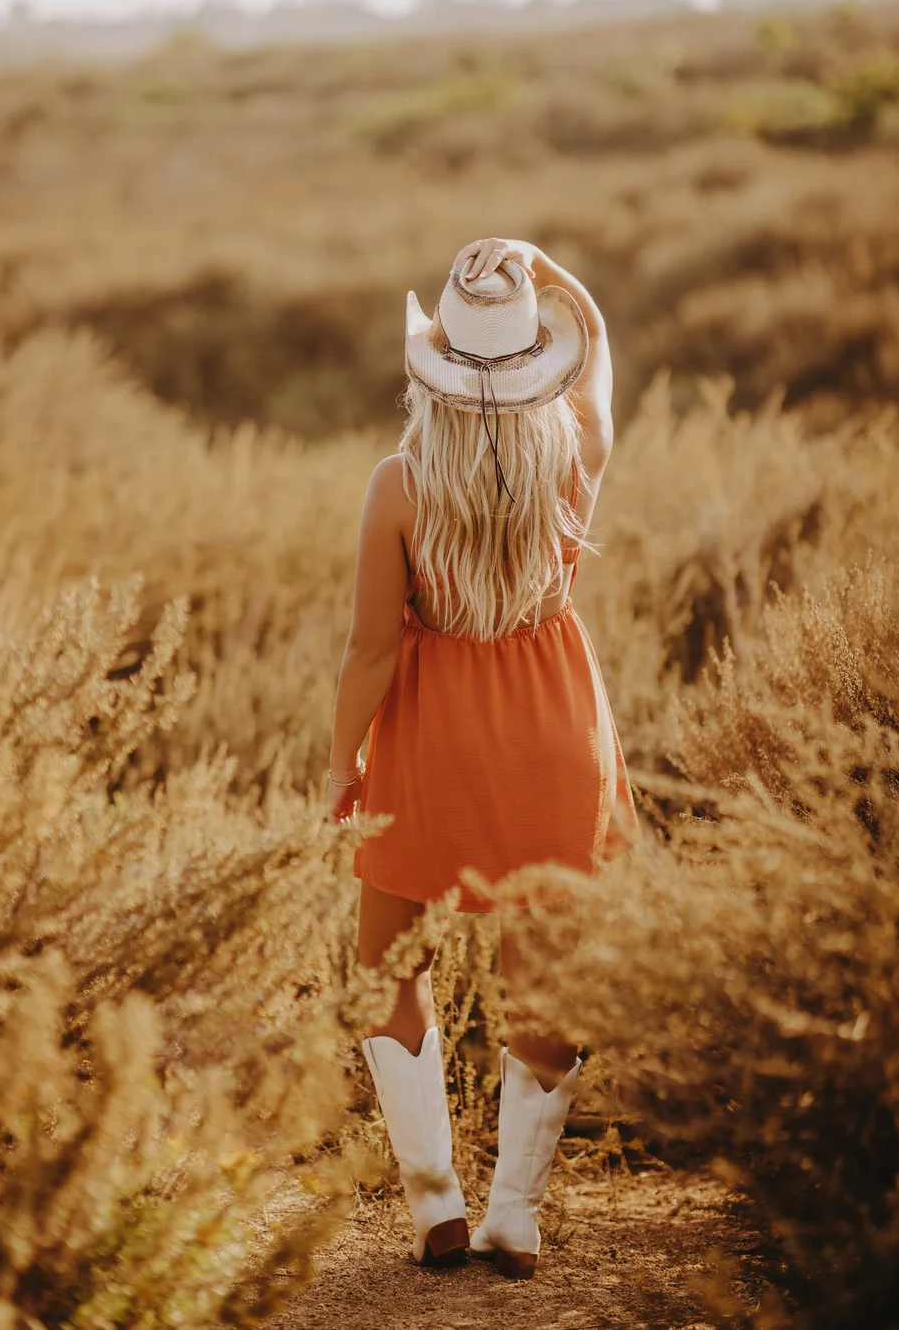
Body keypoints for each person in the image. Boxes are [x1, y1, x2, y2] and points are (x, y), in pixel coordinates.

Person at [326, 236, 636, 1281]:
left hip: (432, 733)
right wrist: (557, 278)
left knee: (387, 963)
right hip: (554, 728)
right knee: (542, 968)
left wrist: (342, 766)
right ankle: (515, 1215)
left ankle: (434, 1206)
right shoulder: (574, 453)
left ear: (436, 370)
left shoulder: (399, 483)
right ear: (536, 361)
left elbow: (370, 651)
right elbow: (598, 361)